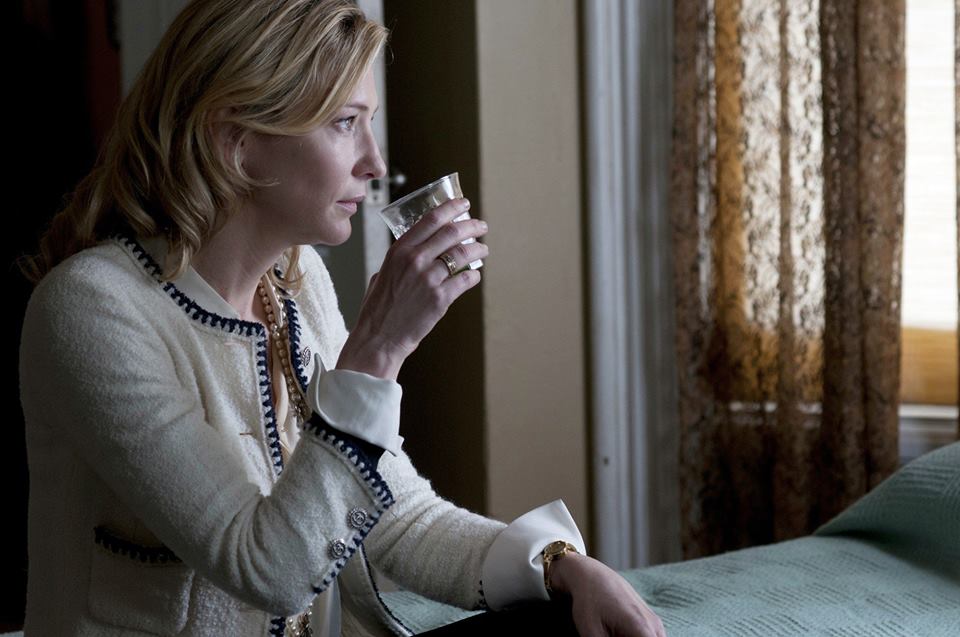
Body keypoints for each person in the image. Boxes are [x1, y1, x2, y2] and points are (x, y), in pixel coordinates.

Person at [17, 1, 665, 636]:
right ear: (234, 140)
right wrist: (378, 350)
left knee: (563, 619)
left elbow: (396, 515)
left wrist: (558, 564)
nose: (375, 163)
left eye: (368, 122)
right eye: (345, 122)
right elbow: (267, 567)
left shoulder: (298, 283)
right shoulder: (92, 310)